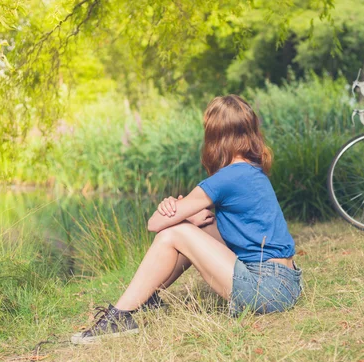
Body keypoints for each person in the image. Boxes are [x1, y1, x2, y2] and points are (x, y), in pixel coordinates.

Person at [71, 94, 302, 345]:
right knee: (198, 225)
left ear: (215, 136)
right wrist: (187, 214)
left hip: (267, 288)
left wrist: (173, 209)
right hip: (286, 284)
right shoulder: (251, 171)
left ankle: (120, 317)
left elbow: (154, 224)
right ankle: (149, 297)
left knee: (175, 233)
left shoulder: (227, 178)